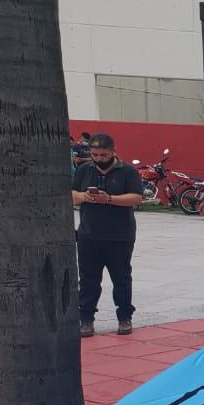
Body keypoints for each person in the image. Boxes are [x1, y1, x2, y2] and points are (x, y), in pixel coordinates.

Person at [71, 133, 143, 337]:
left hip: (120, 236)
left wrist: (109, 199)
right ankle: (85, 320)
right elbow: (71, 194)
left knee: (121, 278)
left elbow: (137, 198)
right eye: (94, 154)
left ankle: (124, 318)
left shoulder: (128, 171)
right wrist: (84, 196)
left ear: (113, 151)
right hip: (88, 235)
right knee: (88, 280)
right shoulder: (84, 170)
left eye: (103, 154)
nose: (98, 158)